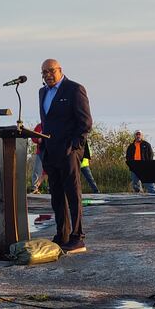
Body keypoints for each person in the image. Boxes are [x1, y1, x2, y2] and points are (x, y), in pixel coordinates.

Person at [38, 58, 92, 253]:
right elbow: (46, 122)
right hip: (51, 152)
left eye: (51, 71)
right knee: (56, 196)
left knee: (73, 194)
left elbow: (85, 122)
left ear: (60, 70)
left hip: (69, 152)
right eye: (44, 72)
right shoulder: (42, 92)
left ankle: (77, 237)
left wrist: (74, 145)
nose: (47, 75)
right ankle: (62, 235)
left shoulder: (74, 89)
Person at [30, 123, 48, 194]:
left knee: (50, 171)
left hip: (51, 151)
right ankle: (34, 188)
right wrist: (38, 139)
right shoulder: (39, 126)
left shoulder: (54, 123)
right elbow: (33, 136)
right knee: (37, 169)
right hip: (40, 151)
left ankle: (52, 188)